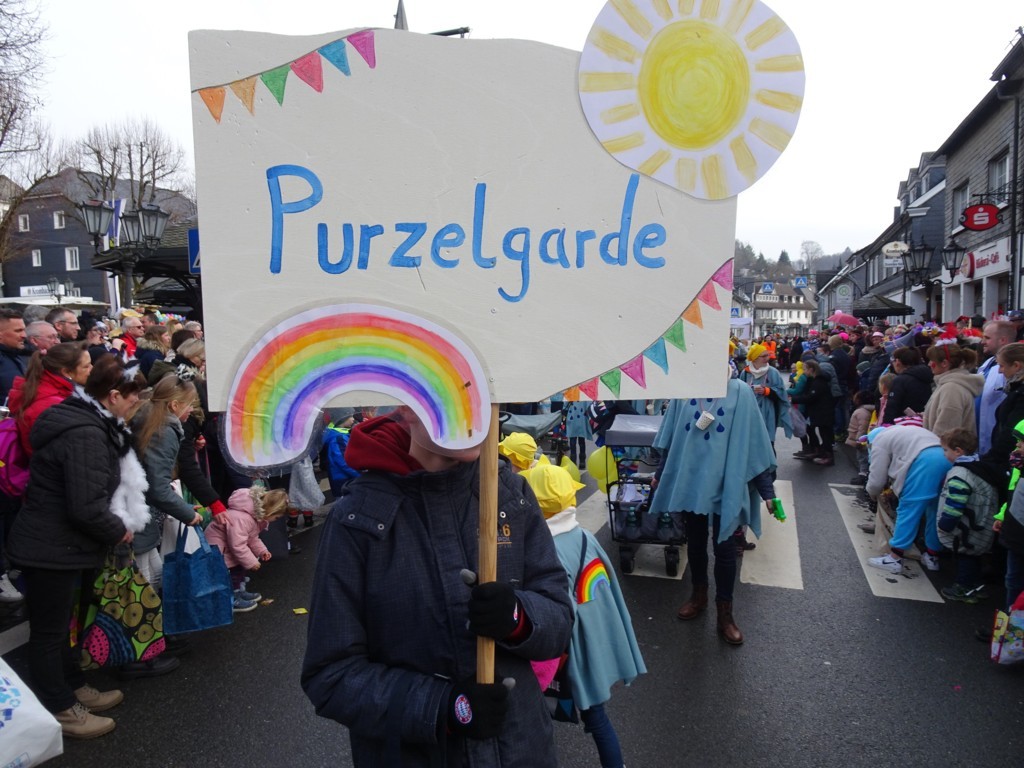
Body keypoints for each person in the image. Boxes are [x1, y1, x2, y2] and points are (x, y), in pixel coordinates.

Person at [301, 406, 573, 766]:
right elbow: (330, 675)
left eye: (483, 398)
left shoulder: (509, 493)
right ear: (408, 408)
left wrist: (518, 617)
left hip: (522, 751)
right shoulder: (355, 520)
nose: (474, 416)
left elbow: (559, 618)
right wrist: (442, 707)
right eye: (453, 397)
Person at [4, 355, 150, 738]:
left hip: (65, 545)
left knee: (66, 627)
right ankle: (60, 707)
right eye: (133, 397)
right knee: (50, 632)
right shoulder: (85, 433)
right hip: (51, 548)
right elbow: (85, 506)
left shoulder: (92, 422)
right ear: (113, 396)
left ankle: (72, 685)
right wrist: (117, 530)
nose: (137, 403)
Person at [521, 463, 645, 768]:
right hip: (593, 642)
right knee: (597, 718)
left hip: (568, 651)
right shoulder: (585, 536)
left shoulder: (545, 551)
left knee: (535, 716)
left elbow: (552, 612)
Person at [650, 372, 777, 645]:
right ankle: (699, 597)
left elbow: (754, 444)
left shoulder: (741, 392)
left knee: (725, 549)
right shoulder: (684, 392)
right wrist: (660, 475)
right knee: (695, 544)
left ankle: (725, 613)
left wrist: (768, 493)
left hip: (726, 485)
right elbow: (673, 441)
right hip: (692, 483)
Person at [130, 374, 205, 595]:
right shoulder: (164, 431)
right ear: (174, 405)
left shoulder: (148, 418)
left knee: (155, 571)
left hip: (138, 508)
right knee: (146, 579)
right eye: (189, 404)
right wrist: (187, 514)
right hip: (139, 512)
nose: (191, 410)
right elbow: (157, 486)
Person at [865, 423, 952, 574]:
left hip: (924, 463)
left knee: (909, 509)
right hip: (946, 458)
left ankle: (895, 558)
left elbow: (876, 481)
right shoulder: (902, 430)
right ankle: (932, 556)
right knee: (935, 511)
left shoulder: (879, 441)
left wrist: (872, 494)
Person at [936, 428, 1000, 603]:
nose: (944, 454)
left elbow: (956, 500)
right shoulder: (979, 466)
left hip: (966, 528)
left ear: (958, 451)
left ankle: (963, 588)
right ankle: (976, 587)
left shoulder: (961, 474)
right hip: (981, 523)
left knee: (965, 557)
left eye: (946, 450)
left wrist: (946, 522)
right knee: (975, 556)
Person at [205, 486, 288, 612]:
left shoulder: (251, 516)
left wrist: (262, 551)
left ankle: (239, 592)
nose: (274, 520)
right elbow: (237, 545)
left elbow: (252, 537)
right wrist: (252, 562)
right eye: (276, 517)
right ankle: (232, 599)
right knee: (231, 573)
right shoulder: (242, 518)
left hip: (227, 547)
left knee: (239, 569)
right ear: (271, 511)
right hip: (219, 550)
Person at [8, 342, 91, 456]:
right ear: (66, 372)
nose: (92, 369)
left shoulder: (55, 391)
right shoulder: (50, 406)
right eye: (86, 366)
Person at [739, 342, 792, 452]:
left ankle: (770, 462)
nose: (767, 358)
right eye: (763, 356)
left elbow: (782, 393)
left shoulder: (773, 372)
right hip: (750, 411)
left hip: (769, 413)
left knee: (768, 443)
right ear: (754, 358)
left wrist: (767, 391)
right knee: (751, 441)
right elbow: (740, 391)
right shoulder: (745, 373)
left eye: (767, 355)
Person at [922, 343, 982, 438]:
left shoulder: (952, 389)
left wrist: (934, 444)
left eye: (932, 361)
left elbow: (946, 430)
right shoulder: (947, 384)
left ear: (944, 363)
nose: (929, 364)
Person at [977, 320, 1016, 455]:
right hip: (982, 441)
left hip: (999, 444)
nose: (982, 342)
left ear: (1002, 340)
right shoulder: (989, 362)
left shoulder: (1012, 370)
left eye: (987, 338)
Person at [790, 358, 837, 466]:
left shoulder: (818, 382)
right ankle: (820, 452)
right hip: (821, 410)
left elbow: (811, 396)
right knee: (821, 432)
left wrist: (793, 399)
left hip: (823, 411)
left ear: (811, 369)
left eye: (805, 369)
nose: (804, 371)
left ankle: (828, 457)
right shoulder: (816, 380)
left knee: (825, 434)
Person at [882, 347, 933, 424]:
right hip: (925, 422)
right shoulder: (928, 376)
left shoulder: (900, 381)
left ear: (898, 361)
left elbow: (892, 407)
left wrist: (886, 425)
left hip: (904, 423)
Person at [321, 407, 359, 501]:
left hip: (341, 477)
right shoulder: (338, 438)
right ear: (342, 418)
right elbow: (344, 461)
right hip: (343, 479)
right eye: (350, 416)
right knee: (347, 504)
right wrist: (359, 474)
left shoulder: (334, 433)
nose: (353, 419)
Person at [846, 389, 876, 485]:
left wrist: (859, 440)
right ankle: (864, 474)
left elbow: (862, 427)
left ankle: (863, 475)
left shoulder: (861, 412)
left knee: (862, 458)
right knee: (863, 457)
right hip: (864, 439)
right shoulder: (867, 410)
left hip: (861, 440)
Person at [564, 400, 593, 468]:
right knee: (578, 441)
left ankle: (577, 460)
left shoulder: (581, 394)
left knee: (576, 441)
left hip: (575, 416)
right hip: (580, 417)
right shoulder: (581, 394)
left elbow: (565, 404)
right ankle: (578, 460)